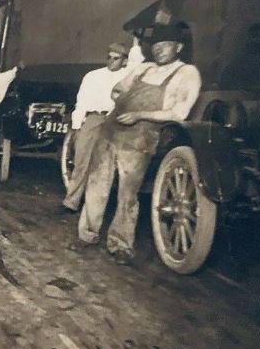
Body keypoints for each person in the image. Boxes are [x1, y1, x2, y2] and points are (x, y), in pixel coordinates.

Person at [74, 24, 201, 265]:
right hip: (111, 130)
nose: (160, 50)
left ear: (178, 47)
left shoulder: (187, 73)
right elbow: (118, 89)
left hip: (140, 137)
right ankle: (87, 235)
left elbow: (179, 112)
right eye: (156, 46)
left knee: (128, 193)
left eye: (166, 46)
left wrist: (139, 114)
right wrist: (121, 101)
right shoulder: (144, 68)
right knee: (96, 184)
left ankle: (121, 244)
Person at [57, 38, 144, 215]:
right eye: (109, 57)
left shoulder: (127, 75)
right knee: (81, 159)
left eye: (116, 58)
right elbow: (81, 101)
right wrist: (77, 126)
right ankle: (71, 202)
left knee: (108, 163)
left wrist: (136, 43)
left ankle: (99, 207)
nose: (111, 61)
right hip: (94, 118)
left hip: (116, 120)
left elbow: (137, 63)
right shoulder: (92, 76)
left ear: (124, 61)